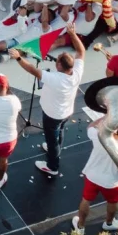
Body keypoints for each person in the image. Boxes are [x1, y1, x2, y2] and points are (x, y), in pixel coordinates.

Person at [11, 24, 84, 177]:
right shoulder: (76, 72)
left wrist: (18, 57)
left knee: (52, 139)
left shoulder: (55, 78)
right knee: (60, 132)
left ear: (59, 65)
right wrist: (72, 34)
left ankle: (52, 166)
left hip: (53, 115)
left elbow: (33, 70)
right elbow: (81, 51)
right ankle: (55, 147)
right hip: (66, 112)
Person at [72, 112, 118, 233]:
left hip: (92, 176)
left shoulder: (99, 137)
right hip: (112, 182)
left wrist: (107, 117)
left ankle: (80, 226)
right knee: (113, 202)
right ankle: (109, 223)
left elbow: (90, 126)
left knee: (86, 200)